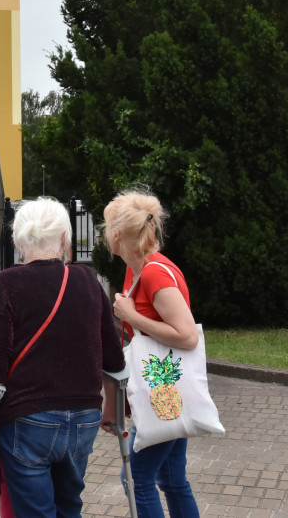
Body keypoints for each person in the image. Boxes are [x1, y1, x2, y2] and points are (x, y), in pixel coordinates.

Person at [0, 198, 125, 517]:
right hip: (84, 420)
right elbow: (114, 360)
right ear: (65, 240)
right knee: (69, 508)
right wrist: (111, 410)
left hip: (28, 422)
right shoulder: (88, 281)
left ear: (18, 242)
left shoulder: (7, 283)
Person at [102, 188, 201, 518]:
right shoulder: (139, 268)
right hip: (168, 388)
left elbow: (186, 336)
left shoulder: (155, 272)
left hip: (166, 391)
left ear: (117, 235)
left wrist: (130, 316)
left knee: (135, 478)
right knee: (172, 479)